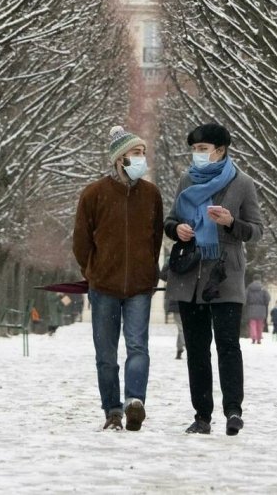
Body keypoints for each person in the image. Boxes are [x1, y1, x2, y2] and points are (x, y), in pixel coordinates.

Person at [164, 123, 263, 436]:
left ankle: (233, 410)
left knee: (228, 345)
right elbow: (170, 219)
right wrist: (175, 230)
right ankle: (202, 415)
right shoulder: (186, 179)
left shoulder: (242, 183)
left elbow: (256, 231)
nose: (197, 155)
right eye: (194, 149)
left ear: (221, 150)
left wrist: (231, 222)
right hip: (189, 274)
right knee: (196, 348)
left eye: (203, 149)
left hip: (225, 275)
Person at [72, 125, 164, 431]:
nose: (141, 159)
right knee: (106, 354)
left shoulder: (151, 195)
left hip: (139, 286)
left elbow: (155, 240)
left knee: (138, 347)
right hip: (104, 287)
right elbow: (81, 242)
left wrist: (149, 271)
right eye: (136, 154)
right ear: (119, 159)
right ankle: (112, 410)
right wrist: (93, 272)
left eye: (143, 154)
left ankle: (134, 402)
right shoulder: (94, 194)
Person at [245, 275, 270, 344]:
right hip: (261, 308)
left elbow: (245, 297)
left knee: (252, 323)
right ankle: (259, 338)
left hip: (251, 307)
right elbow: (268, 298)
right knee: (260, 324)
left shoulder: (249, 288)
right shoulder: (263, 288)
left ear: (253, 279)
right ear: (260, 279)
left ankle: (253, 337)